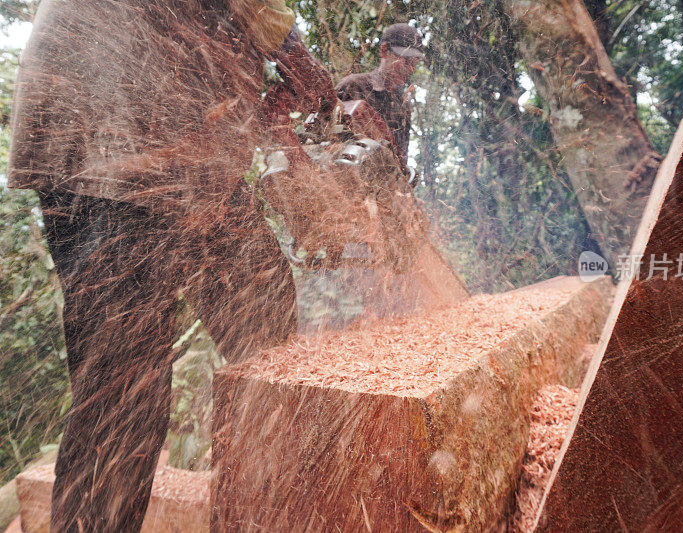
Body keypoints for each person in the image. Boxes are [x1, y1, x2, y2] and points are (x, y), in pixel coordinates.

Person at [7, 0, 335, 531]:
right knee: (125, 387)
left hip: (122, 116)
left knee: (261, 319)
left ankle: (268, 505)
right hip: (124, 106)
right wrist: (302, 62)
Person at [335, 23, 424, 161]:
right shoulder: (353, 85)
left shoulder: (403, 105)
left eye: (414, 62)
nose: (411, 69)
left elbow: (399, 161)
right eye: (406, 61)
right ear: (384, 51)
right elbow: (314, 136)